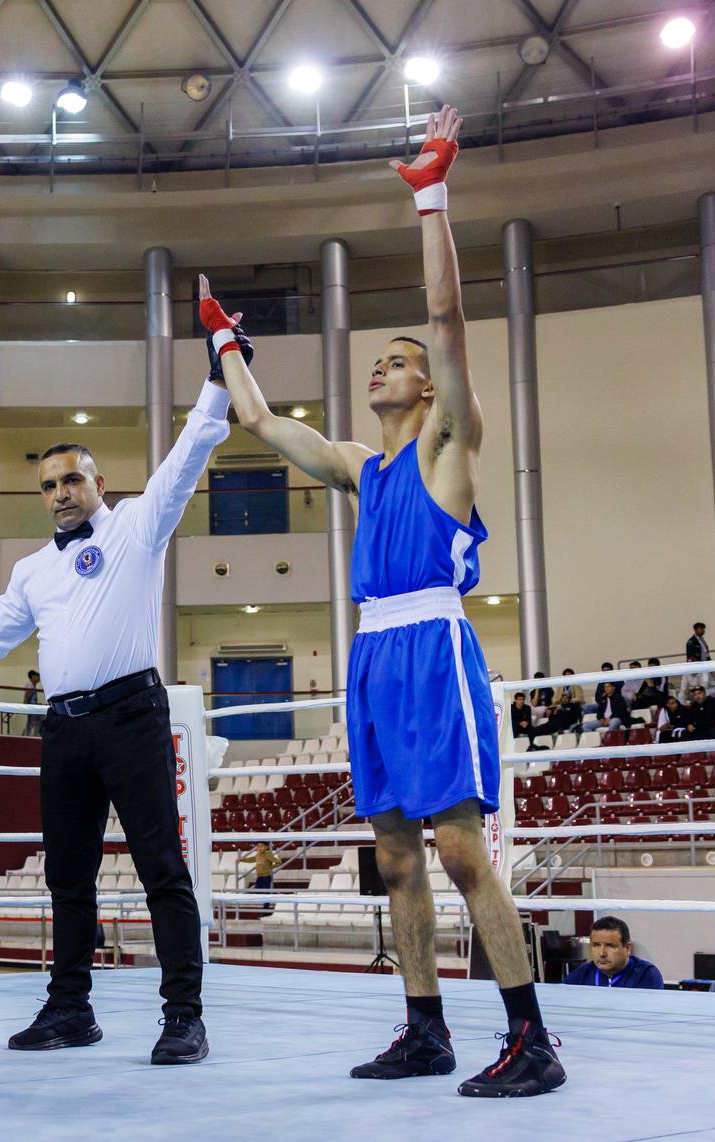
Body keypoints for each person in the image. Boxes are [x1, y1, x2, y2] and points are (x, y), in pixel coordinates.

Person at [208, 105, 562, 1096]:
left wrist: (431, 199)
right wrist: (224, 342)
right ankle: (425, 1027)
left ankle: (532, 1036)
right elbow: (261, 422)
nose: (382, 364)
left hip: (434, 650)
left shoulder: (450, 444)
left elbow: (448, 320)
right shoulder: (362, 466)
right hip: (371, 657)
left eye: (394, 359)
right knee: (396, 858)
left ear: (425, 382)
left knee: (458, 850)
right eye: (379, 359)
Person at [0, 343, 235, 1068]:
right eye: (49, 484)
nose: (62, 492)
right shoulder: (33, 570)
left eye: (73, 478)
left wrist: (221, 377)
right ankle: (70, 1008)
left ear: (98, 481)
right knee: (67, 878)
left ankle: (185, 1017)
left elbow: (189, 454)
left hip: (133, 717)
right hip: (65, 733)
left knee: (162, 867)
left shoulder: (137, 526)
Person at [560, 916, 663, 989]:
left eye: (610, 946)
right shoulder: (582, 974)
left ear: (627, 948)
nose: (602, 953)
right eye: (596, 945)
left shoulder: (645, 974)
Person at [239, 842, 283, 911]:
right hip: (259, 876)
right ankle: (270, 898)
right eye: (258, 846)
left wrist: (270, 867)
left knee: (266, 893)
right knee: (257, 890)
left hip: (266, 877)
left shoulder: (268, 854)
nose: (259, 848)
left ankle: (266, 908)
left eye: (261, 846)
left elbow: (278, 862)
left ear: (266, 847)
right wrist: (241, 860)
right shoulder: (258, 854)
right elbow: (251, 859)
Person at [684, 622, 711, 695]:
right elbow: (690, 656)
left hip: (705, 665)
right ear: (696, 630)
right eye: (701, 629)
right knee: (698, 684)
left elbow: (706, 652)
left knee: (705, 683)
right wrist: (693, 667)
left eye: (703, 629)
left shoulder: (702, 640)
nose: (703, 631)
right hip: (697, 666)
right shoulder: (691, 641)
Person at [22, 669, 44, 736]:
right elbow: (26, 697)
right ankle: (28, 736)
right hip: (31, 708)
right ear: (33, 676)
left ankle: (33, 735)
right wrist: (25, 707)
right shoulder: (30, 686)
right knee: (31, 723)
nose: (39, 678)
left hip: (33, 708)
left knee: (35, 722)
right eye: (37, 676)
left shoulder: (33, 686)